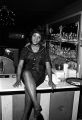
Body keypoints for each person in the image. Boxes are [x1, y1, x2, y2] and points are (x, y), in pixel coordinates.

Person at [13, 29, 55, 120]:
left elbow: (48, 66)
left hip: (39, 75)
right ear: (31, 36)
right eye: (34, 36)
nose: (36, 39)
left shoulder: (44, 50)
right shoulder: (25, 49)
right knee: (26, 72)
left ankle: (26, 116)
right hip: (26, 75)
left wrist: (51, 80)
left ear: (41, 39)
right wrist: (17, 79)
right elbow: (20, 66)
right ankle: (36, 106)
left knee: (28, 89)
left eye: (38, 37)